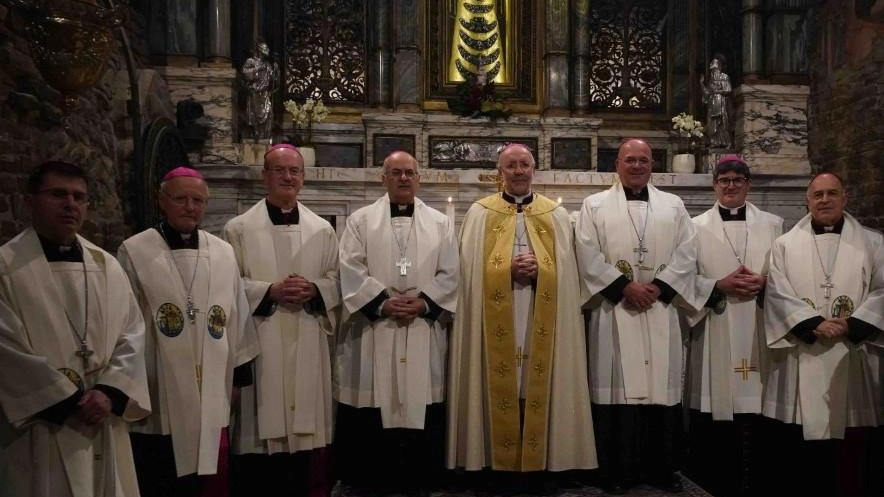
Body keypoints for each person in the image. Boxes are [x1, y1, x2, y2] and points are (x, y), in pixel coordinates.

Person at [0, 161, 150, 497]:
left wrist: (109, 392)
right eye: (58, 194)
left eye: (79, 197)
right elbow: (4, 348)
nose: (70, 204)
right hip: (39, 427)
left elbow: (133, 333)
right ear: (30, 201)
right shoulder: (6, 267)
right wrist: (69, 401)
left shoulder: (106, 265)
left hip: (104, 419)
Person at [446, 144, 597, 479]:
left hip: (539, 312)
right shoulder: (480, 213)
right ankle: (492, 464)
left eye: (524, 165)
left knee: (536, 380)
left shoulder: (554, 215)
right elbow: (467, 276)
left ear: (534, 170)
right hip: (493, 317)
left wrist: (542, 269)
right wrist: (505, 271)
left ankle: (542, 462)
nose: (518, 171)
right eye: (510, 165)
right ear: (499, 172)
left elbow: (569, 275)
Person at [118, 166, 259, 497]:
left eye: (198, 200)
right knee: (160, 477)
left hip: (212, 386)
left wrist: (238, 379)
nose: (190, 206)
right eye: (180, 198)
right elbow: (125, 323)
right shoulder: (135, 251)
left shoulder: (223, 253)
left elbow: (236, 317)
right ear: (161, 201)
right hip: (157, 390)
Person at [575, 138, 696, 494]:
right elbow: (586, 252)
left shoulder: (674, 206)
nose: (637, 165)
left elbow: (687, 252)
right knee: (617, 390)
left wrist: (658, 287)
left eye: (644, 160)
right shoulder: (593, 205)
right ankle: (616, 470)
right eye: (630, 160)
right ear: (617, 164)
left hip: (660, 308)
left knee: (661, 386)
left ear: (652, 165)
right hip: (615, 309)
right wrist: (623, 287)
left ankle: (661, 469)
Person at [336, 151, 459, 496]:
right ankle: (372, 476)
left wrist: (424, 302)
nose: (403, 179)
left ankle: (422, 475)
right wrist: (382, 303)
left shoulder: (440, 223)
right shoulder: (360, 221)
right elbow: (350, 267)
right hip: (376, 328)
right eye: (396, 173)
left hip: (422, 325)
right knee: (376, 396)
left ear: (419, 179)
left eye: (409, 173)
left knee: (421, 399)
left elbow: (451, 272)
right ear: (383, 178)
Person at [223, 143, 340, 497]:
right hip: (260, 338)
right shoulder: (238, 229)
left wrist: (315, 289)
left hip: (306, 334)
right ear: (265, 176)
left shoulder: (323, 229)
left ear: (303, 178)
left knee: (304, 455)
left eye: (295, 171)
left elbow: (336, 279)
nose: (288, 177)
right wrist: (268, 291)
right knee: (260, 447)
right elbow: (226, 286)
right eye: (280, 170)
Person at [763, 172, 883, 497]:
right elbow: (776, 291)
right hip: (805, 349)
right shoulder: (784, 245)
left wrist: (850, 324)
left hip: (853, 352)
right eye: (818, 195)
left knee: (853, 445)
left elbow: (882, 291)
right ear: (807, 200)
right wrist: (811, 322)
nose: (825, 200)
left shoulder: (874, 243)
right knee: (802, 451)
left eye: (832, 194)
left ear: (845, 198)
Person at [683, 155, 783, 497]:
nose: (730, 186)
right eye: (723, 180)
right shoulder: (694, 227)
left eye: (737, 180)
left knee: (758, 408)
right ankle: (714, 479)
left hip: (758, 321)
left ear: (747, 184)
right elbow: (685, 279)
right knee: (716, 407)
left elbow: (788, 273)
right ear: (714, 185)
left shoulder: (774, 224)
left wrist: (766, 282)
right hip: (716, 322)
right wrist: (717, 286)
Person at [241, 41, 279, 140]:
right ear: (260, 50)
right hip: (255, 92)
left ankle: (264, 135)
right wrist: (257, 69)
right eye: (265, 49)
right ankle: (255, 133)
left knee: (268, 113)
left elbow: (273, 80)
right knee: (253, 115)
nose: (267, 51)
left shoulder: (267, 64)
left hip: (264, 94)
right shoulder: (251, 61)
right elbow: (245, 73)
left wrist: (276, 71)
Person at [700, 55, 732, 149]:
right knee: (711, 123)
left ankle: (726, 142)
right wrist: (701, 83)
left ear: (719, 67)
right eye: (712, 70)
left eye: (715, 68)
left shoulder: (724, 77)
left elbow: (728, 90)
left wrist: (718, 91)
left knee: (722, 122)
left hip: (721, 103)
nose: (713, 71)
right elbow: (707, 93)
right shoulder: (711, 80)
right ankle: (714, 141)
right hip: (712, 103)